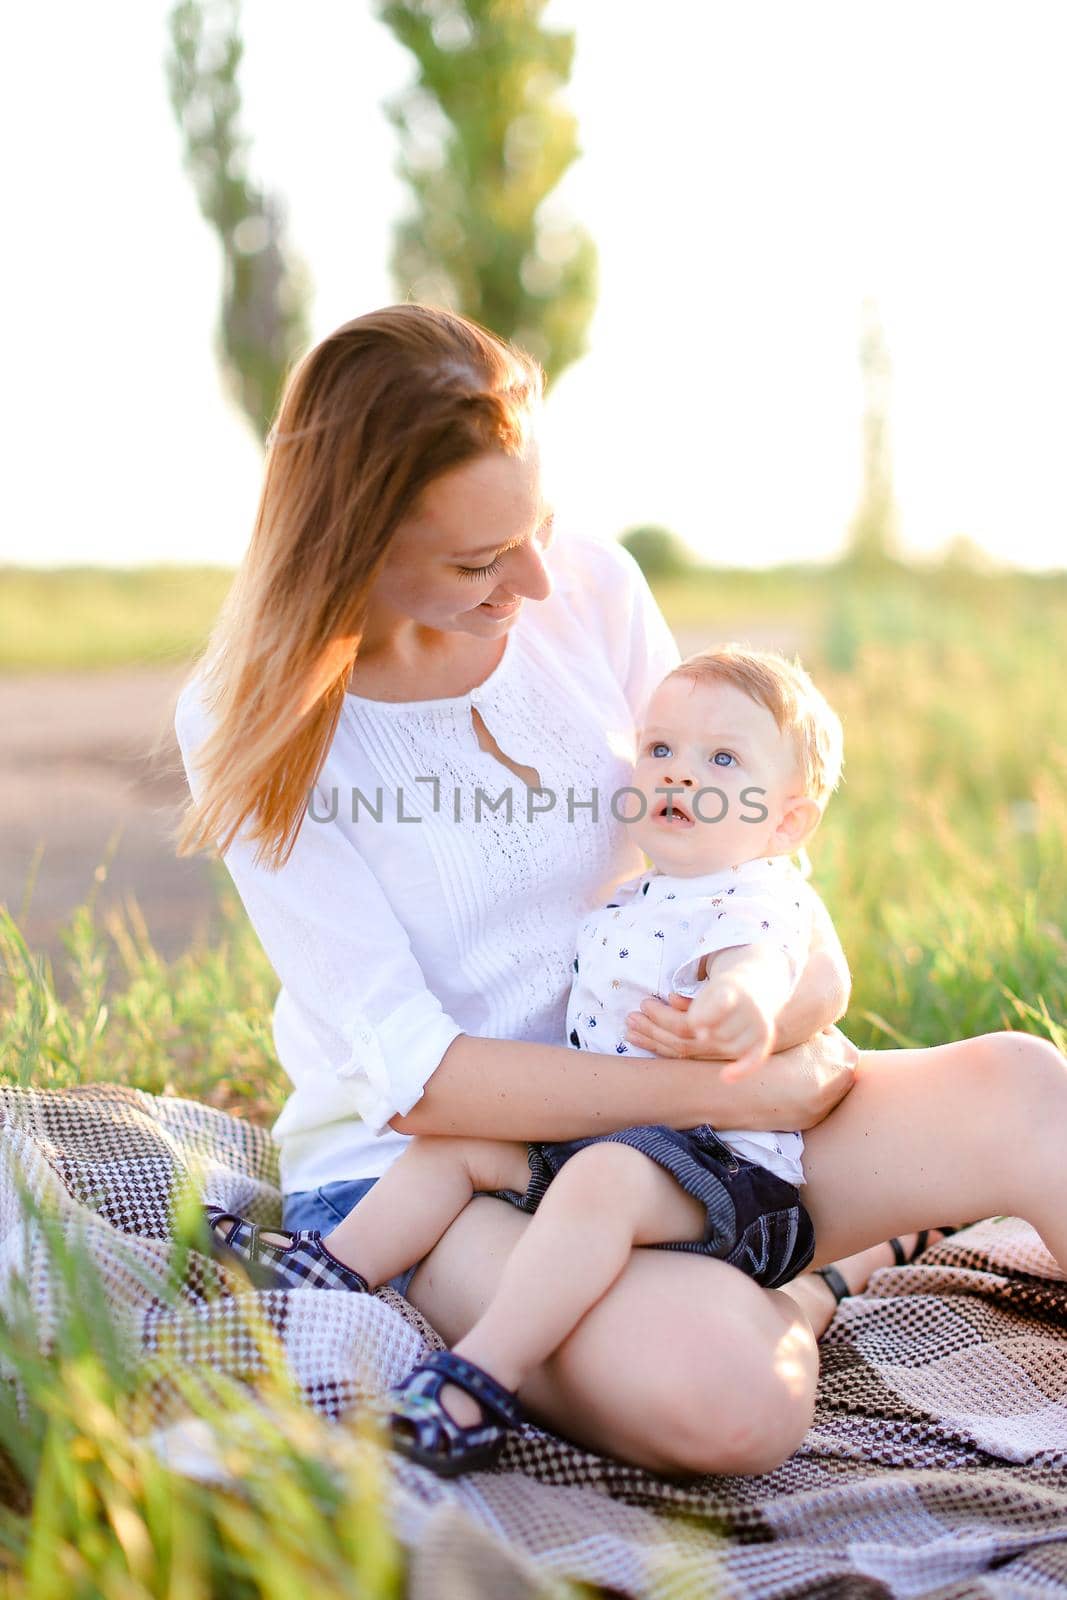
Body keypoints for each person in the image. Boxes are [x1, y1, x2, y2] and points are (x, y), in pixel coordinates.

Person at [175, 303, 1067, 1479]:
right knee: (730, 1400)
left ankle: (778, 1268)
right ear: (350, 547)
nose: (536, 575)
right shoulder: (257, 723)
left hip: (690, 1133)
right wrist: (709, 1084)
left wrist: (784, 1014)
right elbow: (423, 1081)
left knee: (1022, 1088)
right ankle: (810, 1291)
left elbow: (760, 862)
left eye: (537, 524)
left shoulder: (588, 586)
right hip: (453, 1167)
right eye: (478, 560)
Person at [207, 642, 844, 1475]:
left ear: (787, 819)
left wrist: (742, 1005)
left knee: (602, 1181)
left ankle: (480, 1380)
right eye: (659, 750)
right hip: (623, 1144)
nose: (678, 774)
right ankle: (329, 1267)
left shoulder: (752, 895)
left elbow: (760, 959)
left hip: (723, 1171)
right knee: (458, 1148)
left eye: (721, 760)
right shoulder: (637, 896)